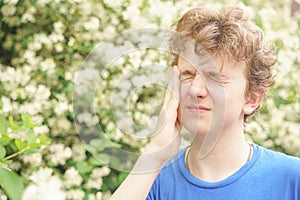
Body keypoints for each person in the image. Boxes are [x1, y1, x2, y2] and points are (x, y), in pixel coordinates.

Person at [110, 6, 300, 200]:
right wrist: (155, 152)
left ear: (252, 98)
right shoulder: (152, 180)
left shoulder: (292, 179)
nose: (195, 90)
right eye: (187, 75)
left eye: (214, 78)